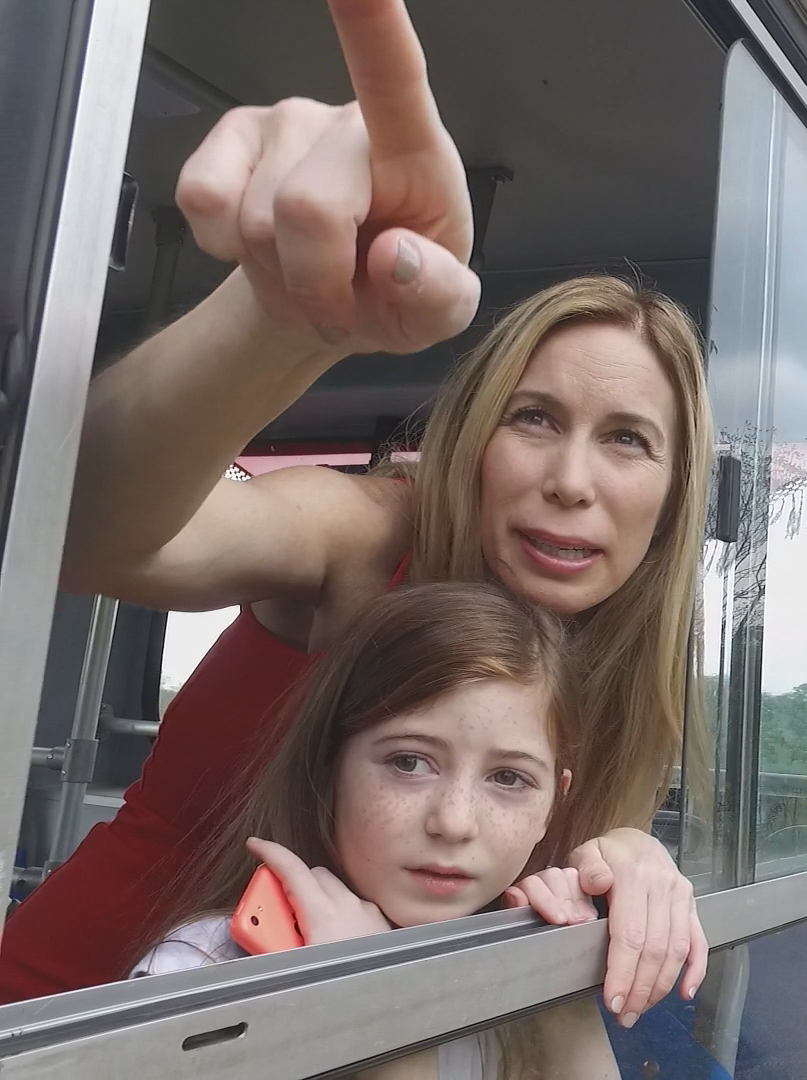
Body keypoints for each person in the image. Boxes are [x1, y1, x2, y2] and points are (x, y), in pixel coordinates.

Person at [0, 0, 710, 1021]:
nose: (571, 480)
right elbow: (75, 533)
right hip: (61, 1021)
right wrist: (277, 319)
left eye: (628, 439)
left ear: (674, 498)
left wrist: (629, 854)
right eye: (535, 419)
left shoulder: (611, 689)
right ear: (472, 440)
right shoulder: (366, 538)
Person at [131, 581, 616, 1079]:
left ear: (552, 807)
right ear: (328, 767)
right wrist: (381, 1012)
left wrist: (563, 992)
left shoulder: (516, 982)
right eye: (408, 762)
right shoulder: (204, 977)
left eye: (509, 778)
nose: (453, 822)